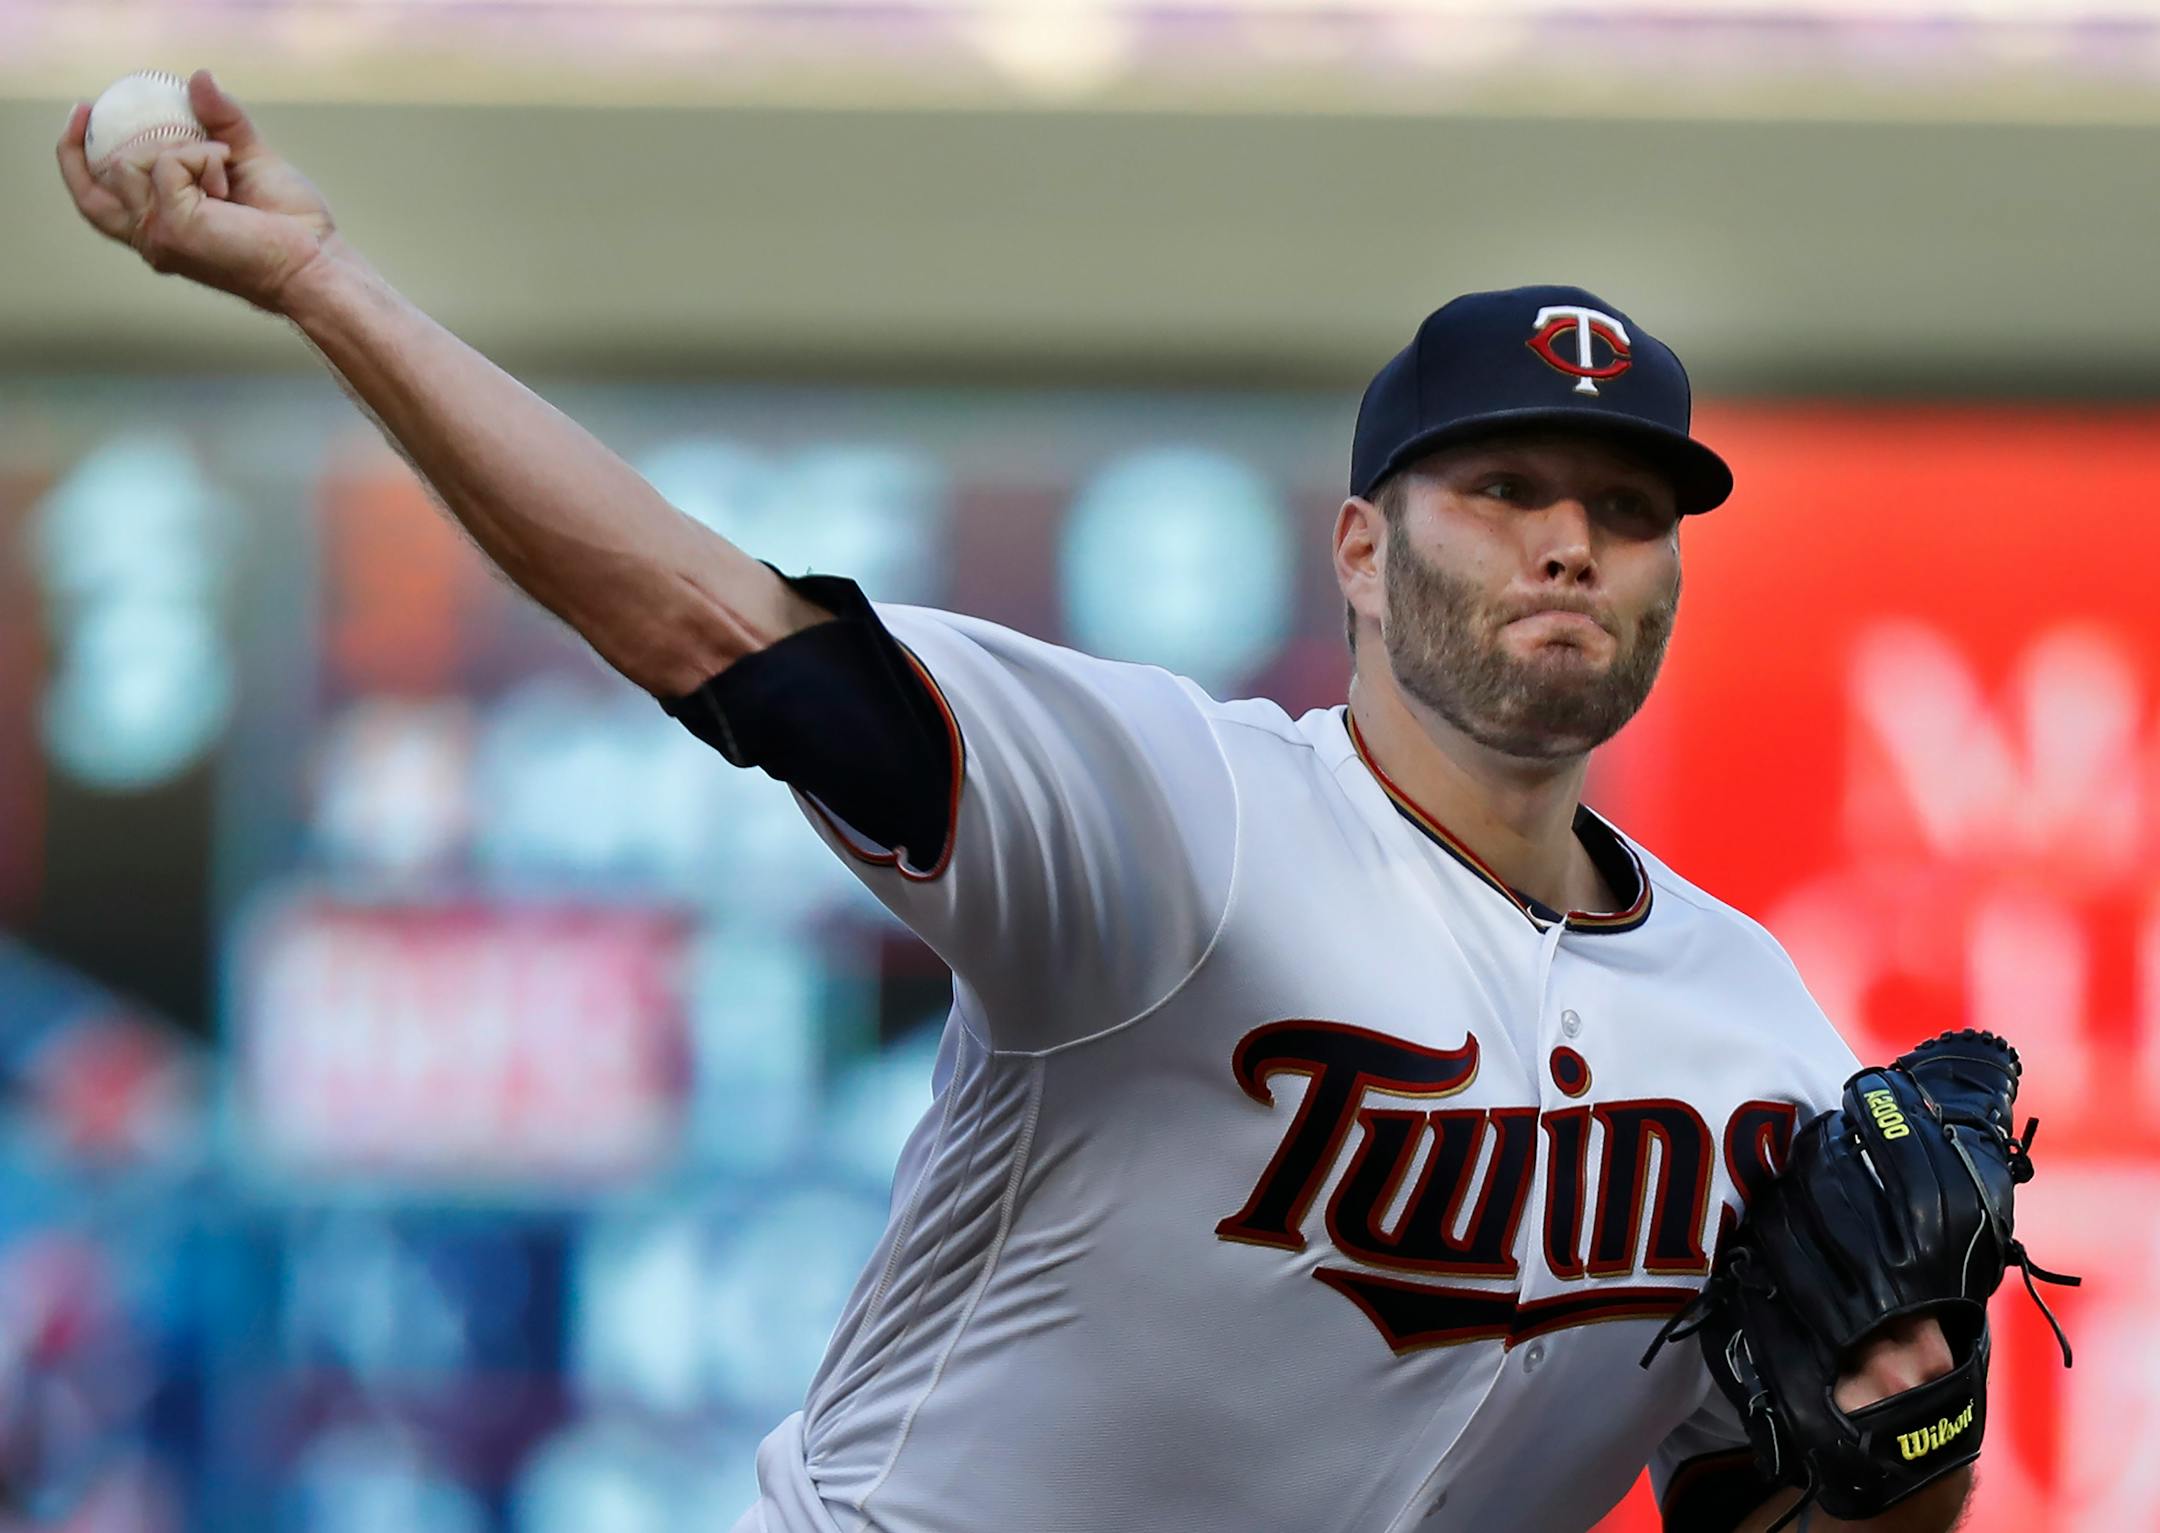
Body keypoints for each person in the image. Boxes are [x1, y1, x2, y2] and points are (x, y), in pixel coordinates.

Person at [59, 73, 1971, 1533]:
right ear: (1365, 554)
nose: (1572, 542)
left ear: (1671, 582)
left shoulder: (1757, 1043)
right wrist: (323, 286)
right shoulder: (1183, 813)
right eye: (1509, 490)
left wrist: (1914, 1458)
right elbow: (726, 631)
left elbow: (1784, 1504)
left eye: (1628, 513)